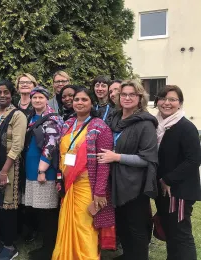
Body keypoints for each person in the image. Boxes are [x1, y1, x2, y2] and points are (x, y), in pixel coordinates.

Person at [97, 80, 158, 260]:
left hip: (134, 185)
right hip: (115, 181)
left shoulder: (145, 123)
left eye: (132, 94)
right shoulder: (114, 119)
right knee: (122, 224)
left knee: (136, 227)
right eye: (124, 94)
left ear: (140, 98)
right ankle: (129, 255)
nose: (127, 98)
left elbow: (147, 158)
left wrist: (117, 157)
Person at [52, 88, 115, 260]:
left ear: (91, 103)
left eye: (84, 99)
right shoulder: (68, 124)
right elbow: (61, 154)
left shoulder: (100, 127)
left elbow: (104, 163)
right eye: (76, 99)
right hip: (68, 183)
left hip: (87, 186)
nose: (79, 102)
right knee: (67, 223)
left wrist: (99, 191)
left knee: (84, 226)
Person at [153, 85, 201, 260]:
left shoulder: (186, 127)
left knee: (181, 235)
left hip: (178, 191)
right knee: (170, 233)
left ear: (179, 103)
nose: (167, 103)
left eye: (172, 99)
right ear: (157, 101)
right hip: (164, 191)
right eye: (163, 98)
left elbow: (194, 160)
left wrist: (168, 179)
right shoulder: (158, 125)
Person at [0, 81, 27, 260]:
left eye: (6, 92)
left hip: (9, 166)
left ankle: (10, 247)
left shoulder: (18, 115)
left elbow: (17, 145)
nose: (2, 95)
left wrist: (4, 170)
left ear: (12, 95)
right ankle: (0, 241)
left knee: (8, 204)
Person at [22, 87, 63, 260]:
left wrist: (42, 170)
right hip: (31, 169)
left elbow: (50, 146)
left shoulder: (52, 118)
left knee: (47, 212)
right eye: (34, 97)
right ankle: (45, 245)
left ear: (47, 99)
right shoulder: (32, 117)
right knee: (39, 209)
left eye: (41, 97)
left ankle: (49, 249)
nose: (37, 100)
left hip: (44, 171)